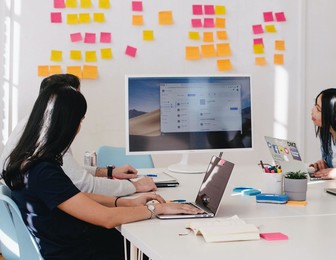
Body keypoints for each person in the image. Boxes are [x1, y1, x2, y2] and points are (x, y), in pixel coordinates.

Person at [1, 83, 201, 259]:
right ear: (67, 124)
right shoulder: (43, 171)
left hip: (67, 243)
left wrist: (124, 202)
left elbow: (75, 197)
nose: (79, 128)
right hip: (74, 252)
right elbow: (107, 219)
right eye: (80, 120)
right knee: (159, 244)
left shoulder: (27, 161)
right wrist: (157, 209)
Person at [0, 74, 156, 196]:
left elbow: (67, 172)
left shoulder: (31, 126)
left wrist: (108, 172)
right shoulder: (47, 136)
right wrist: (134, 186)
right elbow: (84, 185)